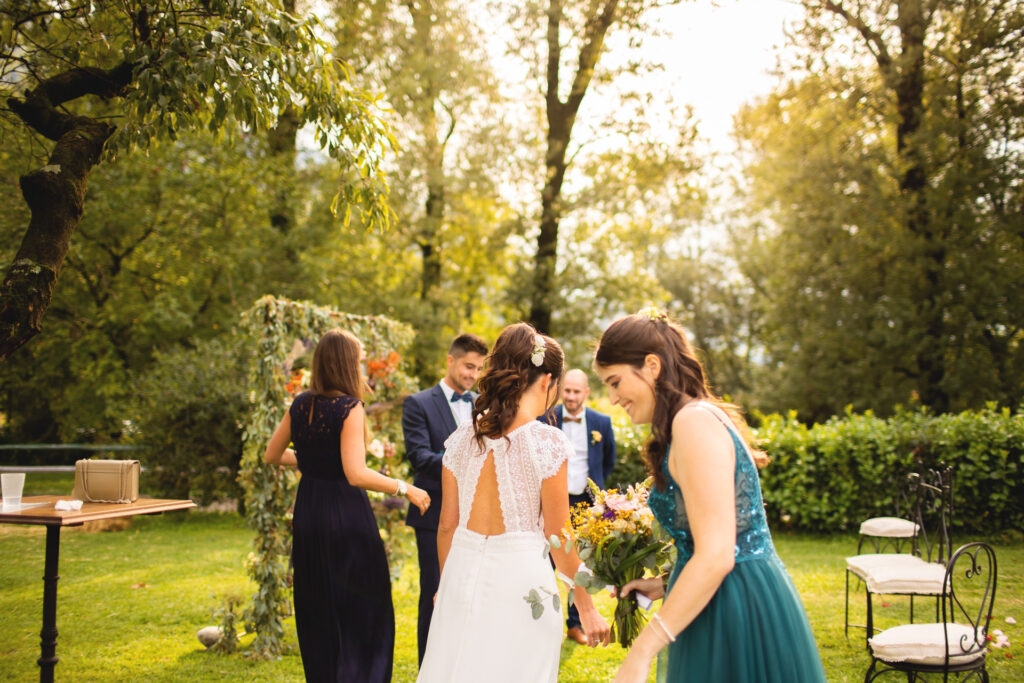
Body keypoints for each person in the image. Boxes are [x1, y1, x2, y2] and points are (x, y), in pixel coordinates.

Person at [594, 311, 826, 683]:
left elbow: (718, 554)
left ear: (651, 366)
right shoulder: (690, 420)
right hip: (718, 599)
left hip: (737, 606)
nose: (612, 397)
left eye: (616, 381)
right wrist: (665, 584)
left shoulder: (694, 422)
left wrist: (641, 653)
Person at [416, 323, 611, 682]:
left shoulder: (459, 440)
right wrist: (585, 606)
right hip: (521, 584)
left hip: (459, 576)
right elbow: (558, 534)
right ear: (548, 379)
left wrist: (446, 585)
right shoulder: (547, 443)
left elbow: (447, 526)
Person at [264, 329, 430, 682]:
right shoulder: (349, 408)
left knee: (319, 603)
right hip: (345, 514)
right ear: (344, 364)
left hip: (309, 511)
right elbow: (355, 473)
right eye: (357, 359)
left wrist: (312, 461)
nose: (362, 366)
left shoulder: (300, 404)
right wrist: (406, 488)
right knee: (364, 605)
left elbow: (272, 455)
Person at [402, 333, 488, 664]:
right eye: (468, 366)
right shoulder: (418, 403)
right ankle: (430, 665)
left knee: (471, 591)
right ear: (450, 360)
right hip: (433, 512)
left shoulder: (483, 403)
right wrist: (470, 461)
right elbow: (420, 457)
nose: (473, 375)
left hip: (478, 515)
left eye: (479, 368)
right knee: (436, 593)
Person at [539, 368, 616, 644]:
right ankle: (543, 618)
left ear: (586, 392)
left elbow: (608, 460)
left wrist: (593, 489)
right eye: (567, 390)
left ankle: (575, 623)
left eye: (576, 391)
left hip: (584, 501)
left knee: (579, 561)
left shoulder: (601, 422)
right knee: (547, 558)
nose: (570, 396)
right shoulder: (545, 417)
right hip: (550, 500)